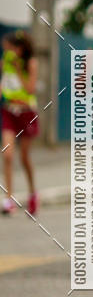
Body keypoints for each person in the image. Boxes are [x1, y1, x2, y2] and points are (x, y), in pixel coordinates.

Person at [1, 30, 39, 216]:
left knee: (24, 158)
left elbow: (30, 89)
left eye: (12, 48)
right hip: (9, 112)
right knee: (7, 154)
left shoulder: (30, 63)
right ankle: (9, 198)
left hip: (27, 113)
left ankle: (33, 192)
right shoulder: (6, 61)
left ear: (21, 49)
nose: (8, 51)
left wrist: (18, 69)